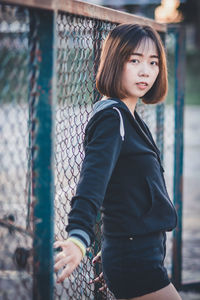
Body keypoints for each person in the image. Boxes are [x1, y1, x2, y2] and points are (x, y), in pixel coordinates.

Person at [54, 23, 182, 300]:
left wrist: (114, 243)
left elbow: (125, 187)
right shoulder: (112, 119)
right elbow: (92, 182)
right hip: (135, 258)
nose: (146, 70)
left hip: (139, 250)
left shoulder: (130, 116)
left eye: (153, 62)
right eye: (134, 60)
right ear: (114, 62)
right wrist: (78, 238)